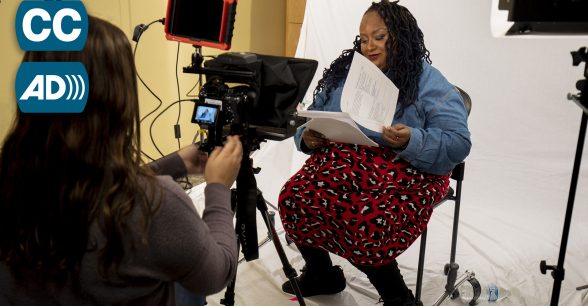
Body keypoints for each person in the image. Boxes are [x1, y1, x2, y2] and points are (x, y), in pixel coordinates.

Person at [0, 15, 243, 306]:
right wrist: (218, 187)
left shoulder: (11, 179)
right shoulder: (158, 204)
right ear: (117, 98)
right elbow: (216, 273)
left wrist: (174, 163)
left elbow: (96, 187)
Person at [278, 1, 471, 305]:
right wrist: (308, 136)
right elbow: (311, 117)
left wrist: (411, 140)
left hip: (407, 170)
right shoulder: (347, 74)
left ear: (401, 36)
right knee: (295, 197)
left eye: (379, 37)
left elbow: (459, 143)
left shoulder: (431, 83)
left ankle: (397, 297)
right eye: (364, 38)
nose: (369, 46)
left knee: (364, 219)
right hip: (346, 162)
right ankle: (321, 274)